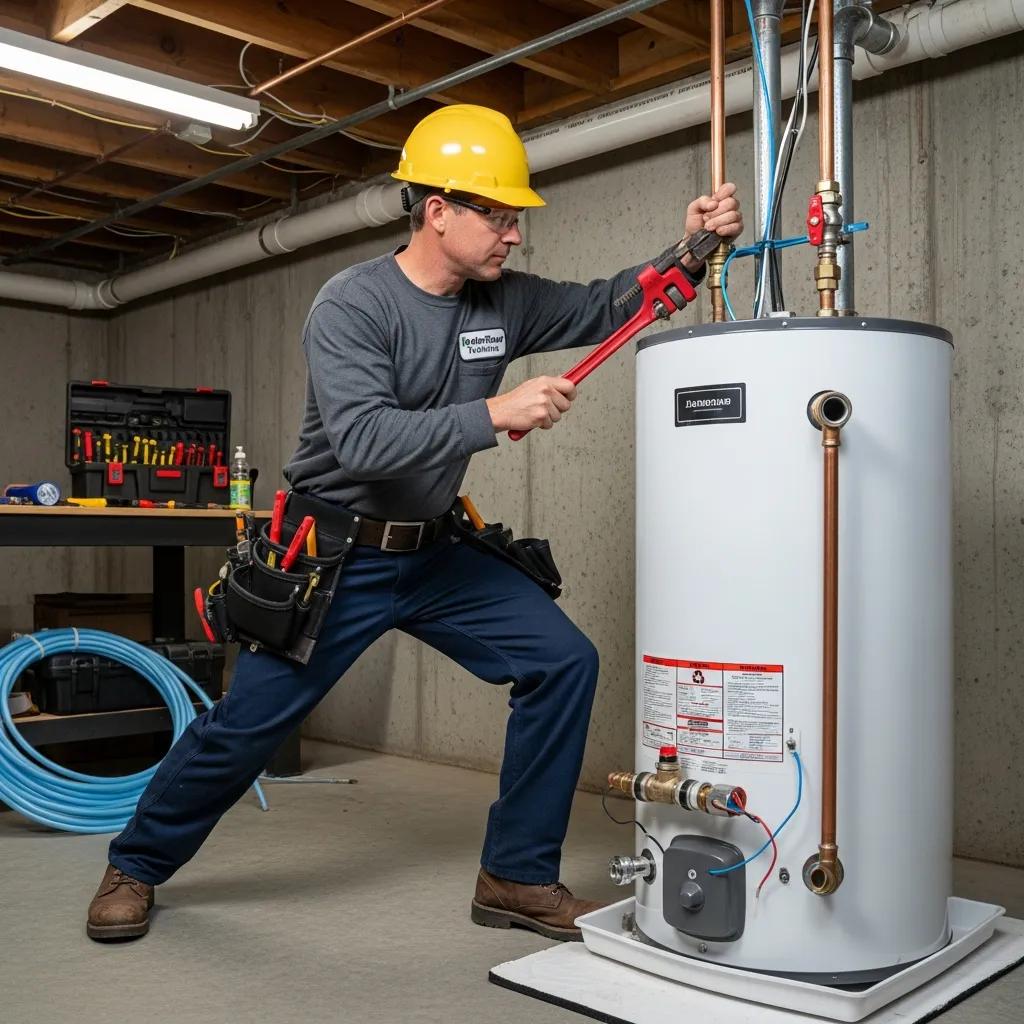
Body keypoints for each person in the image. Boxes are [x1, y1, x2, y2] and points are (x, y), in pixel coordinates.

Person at [86, 104, 743, 943]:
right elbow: (362, 440)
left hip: (435, 552)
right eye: (498, 216)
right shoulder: (353, 306)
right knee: (247, 725)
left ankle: (514, 876)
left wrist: (685, 249)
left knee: (563, 661)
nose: (514, 235)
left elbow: (608, 306)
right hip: (333, 558)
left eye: (516, 218)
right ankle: (135, 866)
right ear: (438, 211)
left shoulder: (501, 302)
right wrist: (495, 412)